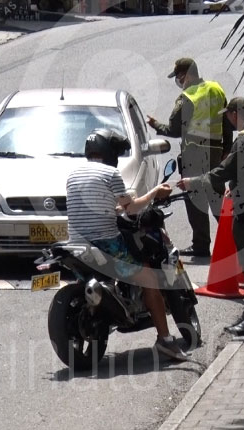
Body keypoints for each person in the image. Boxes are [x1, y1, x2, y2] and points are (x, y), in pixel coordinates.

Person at [65, 129, 188, 360]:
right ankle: (165, 340)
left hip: (77, 244)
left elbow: (102, 206)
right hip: (106, 243)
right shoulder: (110, 173)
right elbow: (130, 207)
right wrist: (154, 193)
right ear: (109, 153)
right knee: (150, 277)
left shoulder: (73, 174)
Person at [177, 97, 244, 336]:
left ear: (235, 114)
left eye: (228, 115)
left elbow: (222, 171)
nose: (227, 120)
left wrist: (192, 182)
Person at [147, 58, 232, 257]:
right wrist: (226, 148)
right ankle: (235, 238)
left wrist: (156, 125)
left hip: (194, 153)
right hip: (215, 152)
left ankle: (201, 245)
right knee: (217, 197)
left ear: (185, 75)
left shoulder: (188, 97)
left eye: (178, 76)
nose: (177, 80)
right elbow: (227, 122)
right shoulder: (216, 89)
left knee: (195, 199)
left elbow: (175, 129)